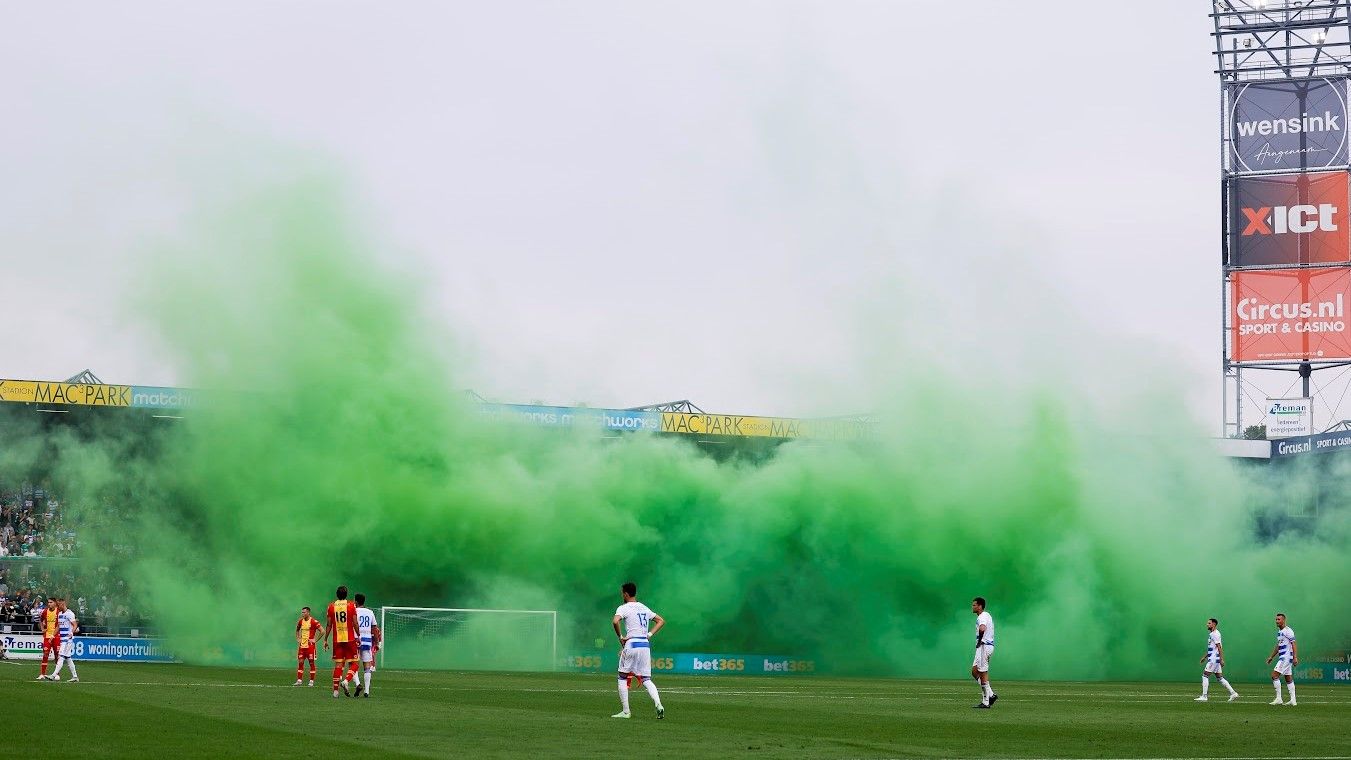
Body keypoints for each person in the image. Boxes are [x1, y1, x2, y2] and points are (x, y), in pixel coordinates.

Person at [611, 582, 665, 719]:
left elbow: (615, 621)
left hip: (632, 643)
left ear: (625, 594)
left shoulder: (624, 608)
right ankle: (658, 704)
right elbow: (660, 621)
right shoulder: (644, 608)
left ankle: (626, 711)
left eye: (622, 593)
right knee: (646, 678)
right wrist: (649, 635)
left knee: (622, 677)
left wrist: (620, 637)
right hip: (644, 645)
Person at [324, 586, 360, 698]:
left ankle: (335, 692)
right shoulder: (351, 605)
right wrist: (358, 635)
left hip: (337, 640)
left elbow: (329, 624)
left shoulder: (331, 606)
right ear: (346, 594)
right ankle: (346, 681)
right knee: (355, 663)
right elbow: (355, 622)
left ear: (337, 594)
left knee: (338, 665)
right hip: (349, 639)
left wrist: (325, 639)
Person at [1195, 618, 1238, 702]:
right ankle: (1233, 693)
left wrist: (1221, 659)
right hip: (1214, 658)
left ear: (1214, 624)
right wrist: (1205, 657)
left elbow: (1219, 647)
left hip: (1214, 659)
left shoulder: (1215, 634)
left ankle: (1204, 696)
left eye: (1209, 623)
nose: (1207, 624)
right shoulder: (1212, 634)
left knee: (1205, 676)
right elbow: (1212, 648)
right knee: (1220, 678)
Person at [1266, 613, 1298, 706]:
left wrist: (1295, 657)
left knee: (1274, 675)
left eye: (1279, 619)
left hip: (1286, 657)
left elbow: (1294, 644)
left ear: (1284, 620)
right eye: (1276, 619)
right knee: (1288, 678)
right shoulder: (1280, 632)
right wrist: (1271, 657)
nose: (1277, 621)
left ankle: (1279, 698)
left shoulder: (1288, 631)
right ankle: (1293, 700)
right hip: (1284, 657)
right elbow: (1278, 646)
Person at [971, 597, 998, 708]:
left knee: (983, 673)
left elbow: (982, 629)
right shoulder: (986, 615)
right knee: (974, 671)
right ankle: (991, 694)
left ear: (980, 606)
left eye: (974, 605)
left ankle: (986, 701)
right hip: (984, 646)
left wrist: (980, 641)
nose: (972, 607)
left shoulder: (982, 616)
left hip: (984, 646)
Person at [354, 594, 377, 697]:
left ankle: (358, 684)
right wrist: (376, 642)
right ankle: (367, 691)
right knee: (367, 666)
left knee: (353, 664)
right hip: (367, 641)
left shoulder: (354, 611)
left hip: (355, 640)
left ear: (356, 602)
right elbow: (374, 629)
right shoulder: (370, 612)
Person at [294, 607, 324, 686]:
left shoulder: (314, 621)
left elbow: (322, 631)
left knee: (311, 663)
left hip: (310, 647)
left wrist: (315, 640)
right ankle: (299, 680)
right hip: (302, 646)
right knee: (300, 662)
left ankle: (311, 681)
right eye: (302, 612)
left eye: (304, 612)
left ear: (308, 613)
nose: (302, 614)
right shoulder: (301, 621)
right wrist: (297, 638)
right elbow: (297, 629)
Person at [51, 598, 79, 683]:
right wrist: (53, 635)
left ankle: (53, 675)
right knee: (68, 658)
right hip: (62, 639)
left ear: (63, 604)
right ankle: (75, 677)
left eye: (58, 604)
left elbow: (75, 625)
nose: (57, 606)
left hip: (67, 640)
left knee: (61, 656)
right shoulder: (59, 614)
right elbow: (58, 627)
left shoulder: (70, 614)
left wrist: (71, 633)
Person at [35, 598, 58, 681]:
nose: (49, 604)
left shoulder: (58, 611)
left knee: (57, 655)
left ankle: (57, 674)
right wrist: (42, 629)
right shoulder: (45, 611)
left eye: (51, 602)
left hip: (56, 637)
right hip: (47, 636)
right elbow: (40, 620)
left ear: (55, 603)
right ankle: (42, 674)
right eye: (48, 602)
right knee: (45, 654)